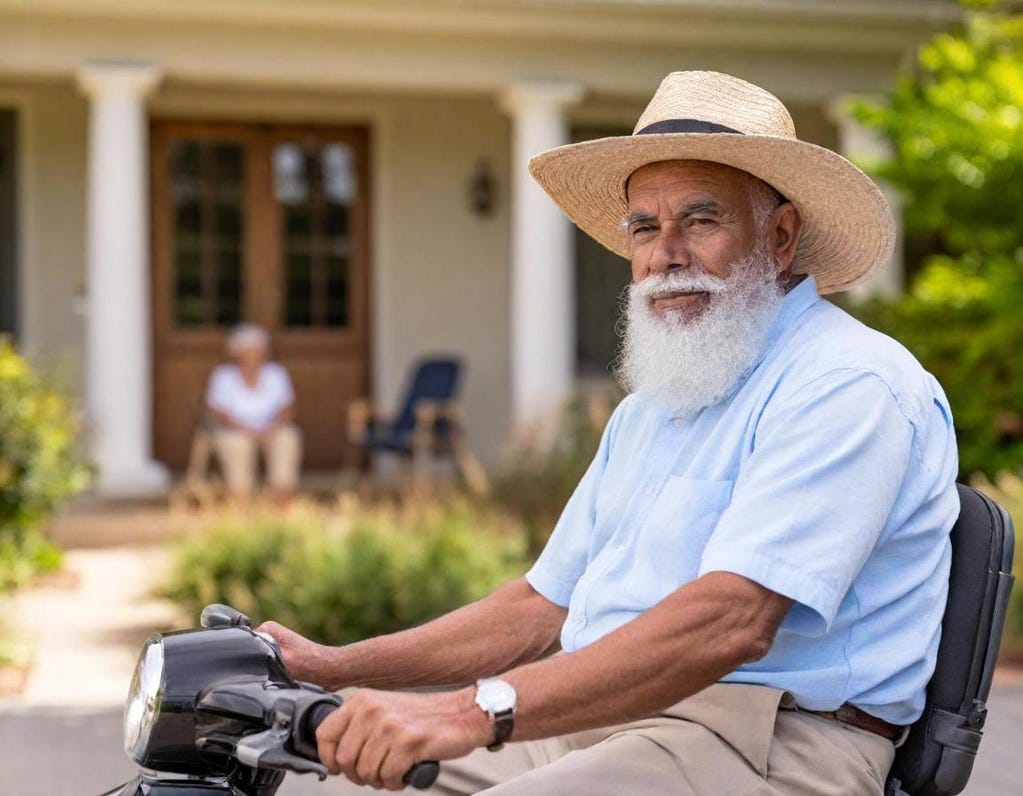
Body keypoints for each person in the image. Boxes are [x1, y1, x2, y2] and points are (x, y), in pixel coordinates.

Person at [258, 71, 959, 794]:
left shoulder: (848, 383)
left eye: (701, 220)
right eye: (644, 228)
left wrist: (475, 711)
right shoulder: (655, 405)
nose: (666, 254)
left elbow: (731, 621)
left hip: (769, 741)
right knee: (337, 784)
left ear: (779, 238)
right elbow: (540, 610)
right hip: (597, 717)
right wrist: (329, 666)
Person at [205, 322, 302, 504]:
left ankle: (282, 502)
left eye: (258, 349)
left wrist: (272, 428)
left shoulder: (276, 374)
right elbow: (218, 412)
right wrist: (247, 430)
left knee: (288, 438)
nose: (254, 354)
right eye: (248, 349)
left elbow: (287, 408)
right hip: (235, 429)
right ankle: (241, 501)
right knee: (237, 445)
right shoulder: (222, 376)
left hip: (271, 428)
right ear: (237, 352)